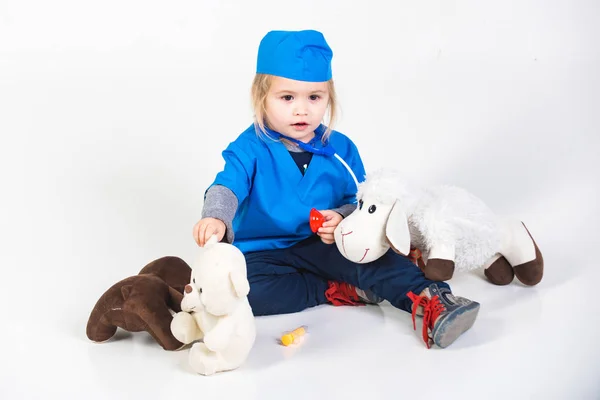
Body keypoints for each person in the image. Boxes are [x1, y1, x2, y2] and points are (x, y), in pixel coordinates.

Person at [193, 29, 480, 349]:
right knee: (242, 294)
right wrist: (216, 218)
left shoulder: (341, 149)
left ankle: (434, 302)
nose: (302, 110)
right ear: (262, 97)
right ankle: (338, 289)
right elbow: (226, 186)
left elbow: (357, 202)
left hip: (323, 244)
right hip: (264, 252)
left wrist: (341, 217)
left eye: (314, 97)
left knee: (369, 259)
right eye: (287, 97)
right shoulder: (249, 147)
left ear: (329, 98)